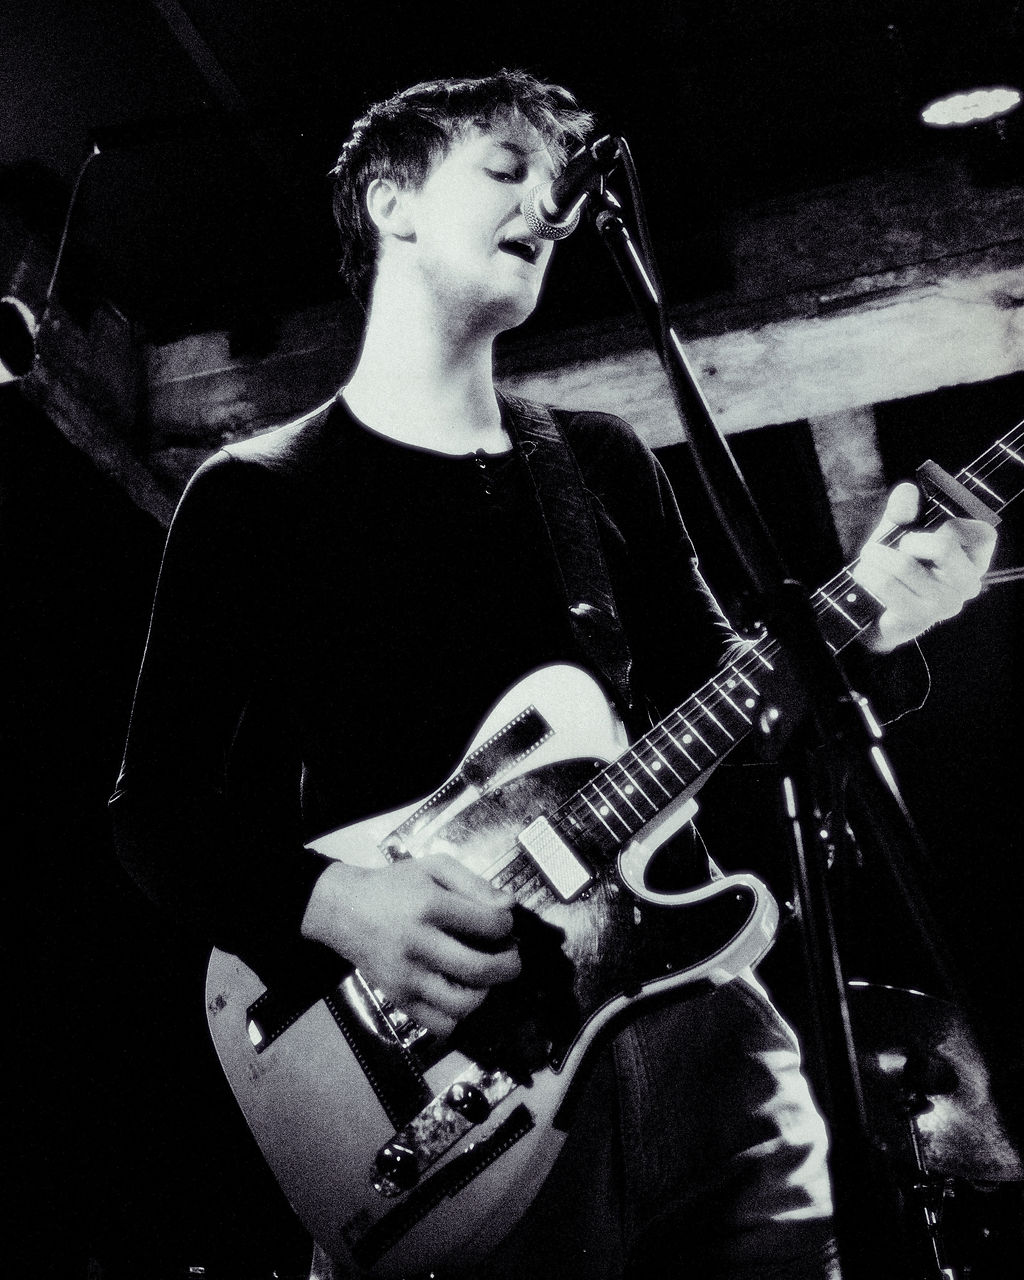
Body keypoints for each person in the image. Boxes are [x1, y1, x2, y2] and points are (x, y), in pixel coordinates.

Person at [110, 70, 996, 1279]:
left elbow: (742, 723)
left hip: (698, 1029)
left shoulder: (599, 462)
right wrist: (335, 902)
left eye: (561, 180)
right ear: (390, 202)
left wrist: (876, 623)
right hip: (457, 1085)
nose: (553, 200)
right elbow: (155, 814)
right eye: (508, 166)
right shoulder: (256, 494)